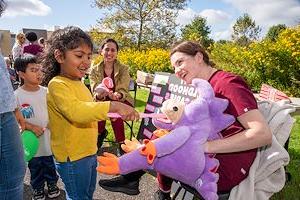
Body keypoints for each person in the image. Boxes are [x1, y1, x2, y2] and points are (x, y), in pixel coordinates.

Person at [98, 41, 272, 200]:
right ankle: (144, 184)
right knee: (164, 136)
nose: (176, 71)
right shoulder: (204, 84)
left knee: (165, 146)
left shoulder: (228, 83)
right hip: (207, 154)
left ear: (198, 57)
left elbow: (262, 134)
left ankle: (135, 178)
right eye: (173, 67)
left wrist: (204, 146)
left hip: (221, 166)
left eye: (180, 62)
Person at [40, 26, 139, 200]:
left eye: (88, 56)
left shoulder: (79, 83)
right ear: (59, 56)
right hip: (72, 158)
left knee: (86, 194)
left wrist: (117, 110)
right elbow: (76, 112)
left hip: (88, 152)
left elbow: (90, 109)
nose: (86, 62)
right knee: (79, 197)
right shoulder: (57, 84)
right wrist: (113, 106)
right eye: (79, 56)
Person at [14, 55, 61, 200]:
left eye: (39, 69)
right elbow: (15, 117)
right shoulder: (16, 96)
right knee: (35, 168)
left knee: (50, 165)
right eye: (33, 70)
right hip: (31, 142)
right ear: (21, 74)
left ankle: (53, 184)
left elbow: (56, 111)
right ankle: (38, 188)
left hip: (49, 139)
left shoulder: (47, 92)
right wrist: (29, 126)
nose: (38, 73)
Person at [0, 1, 26, 199]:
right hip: (2, 113)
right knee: (11, 175)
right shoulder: (18, 49)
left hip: (6, 108)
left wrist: (14, 108)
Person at [89, 38, 134, 153]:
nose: (109, 53)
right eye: (107, 49)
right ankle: (100, 133)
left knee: (115, 113)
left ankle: (121, 143)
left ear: (117, 53)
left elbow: (124, 88)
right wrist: (100, 95)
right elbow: (94, 89)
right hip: (102, 100)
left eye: (113, 50)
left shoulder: (124, 68)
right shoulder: (94, 70)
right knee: (100, 109)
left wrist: (118, 95)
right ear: (101, 51)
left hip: (121, 99)